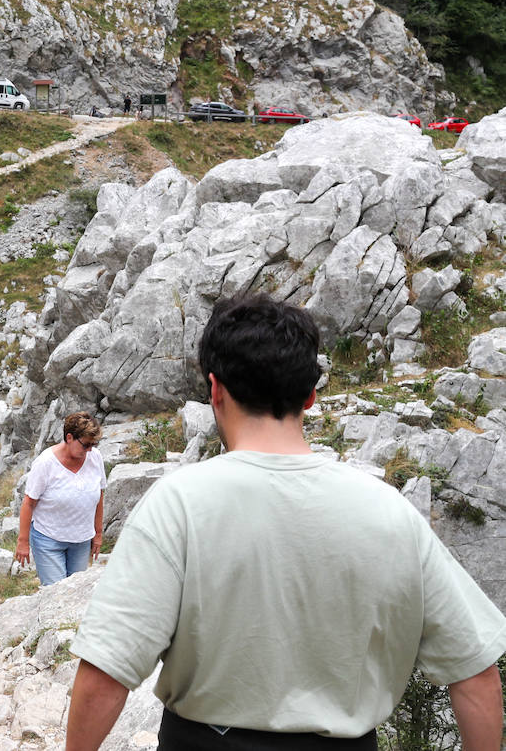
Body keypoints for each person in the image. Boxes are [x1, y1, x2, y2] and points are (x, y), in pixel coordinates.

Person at [66, 294, 506, 751]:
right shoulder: (391, 512)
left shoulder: (178, 504)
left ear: (215, 389)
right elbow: (476, 673)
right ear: (310, 396)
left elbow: (105, 674)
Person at [14, 411, 104, 585]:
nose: (90, 450)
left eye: (93, 444)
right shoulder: (45, 463)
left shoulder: (95, 457)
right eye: (86, 445)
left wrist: (98, 533)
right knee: (55, 594)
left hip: (81, 540)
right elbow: (28, 503)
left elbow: (99, 495)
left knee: (75, 591)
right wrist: (23, 542)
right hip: (49, 540)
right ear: (69, 437)